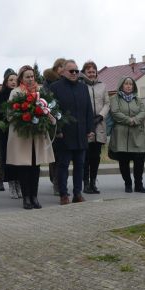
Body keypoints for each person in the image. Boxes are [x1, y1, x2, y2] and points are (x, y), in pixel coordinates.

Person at [6, 65, 55, 209]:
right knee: (24, 167)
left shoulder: (40, 91)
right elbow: (10, 114)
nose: (30, 79)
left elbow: (47, 109)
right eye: (27, 76)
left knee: (35, 166)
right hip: (22, 136)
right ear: (21, 78)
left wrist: (41, 116)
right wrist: (25, 117)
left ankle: (34, 196)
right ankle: (26, 197)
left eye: (32, 76)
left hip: (37, 135)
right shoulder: (15, 92)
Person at [49, 59, 94, 204]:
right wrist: (57, 130)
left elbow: (88, 110)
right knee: (63, 166)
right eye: (71, 71)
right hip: (64, 134)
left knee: (80, 165)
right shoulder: (55, 87)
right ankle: (63, 194)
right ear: (63, 72)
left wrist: (90, 129)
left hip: (81, 133)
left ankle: (77, 193)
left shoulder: (83, 87)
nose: (74, 73)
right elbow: (52, 111)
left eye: (76, 71)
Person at [108, 77, 145, 193]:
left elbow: (143, 112)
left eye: (131, 84)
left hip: (137, 134)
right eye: (126, 84)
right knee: (124, 161)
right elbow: (115, 112)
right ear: (121, 85)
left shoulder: (138, 99)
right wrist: (128, 120)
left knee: (139, 160)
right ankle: (128, 183)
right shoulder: (114, 98)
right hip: (121, 135)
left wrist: (134, 120)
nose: (129, 86)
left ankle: (139, 185)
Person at [81, 61, 109, 194]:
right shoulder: (81, 85)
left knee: (95, 157)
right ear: (84, 73)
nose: (91, 74)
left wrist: (101, 116)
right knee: (85, 157)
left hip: (99, 124)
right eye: (89, 72)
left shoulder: (102, 86)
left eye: (93, 71)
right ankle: (85, 183)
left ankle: (93, 182)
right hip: (86, 125)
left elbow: (107, 103)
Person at [42, 57, 66, 196]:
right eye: (61, 66)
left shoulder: (68, 81)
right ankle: (56, 182)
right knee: (55, 155)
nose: (63, 69)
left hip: (67, 120)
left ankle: (59, 181)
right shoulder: (48, 82)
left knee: (63, 156)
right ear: (56, 68)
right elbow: (46, 101)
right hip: (53, 121)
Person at [0, 69, 20, 198]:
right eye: (10, 80)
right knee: (8, 157)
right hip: (6, 130)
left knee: (19, 158)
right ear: (6, 82)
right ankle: (11, 183)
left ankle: (18, 183)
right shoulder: (0, 95)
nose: (13, 82)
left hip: (19, 131)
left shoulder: (21, 94)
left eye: (15, 80)